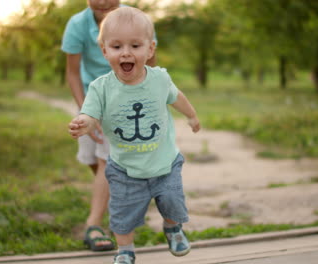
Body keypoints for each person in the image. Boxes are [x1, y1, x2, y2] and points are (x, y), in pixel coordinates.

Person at [68, 6, 200, 264]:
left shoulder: (160, 79)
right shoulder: (100, 88)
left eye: (135, 46)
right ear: (104, 51)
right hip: (125, 168)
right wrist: (84, 123)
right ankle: (125, 250)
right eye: (117, 47)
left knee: (172, 201)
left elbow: (177, 97)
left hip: (163, 163)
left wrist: (192, 115)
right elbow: (91, 113)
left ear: (150, 50)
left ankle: (173, 229)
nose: (126, 52)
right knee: (122, 213)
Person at [61, 0, 156, 251]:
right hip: (92, 97)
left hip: (125, 98)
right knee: (93, 160)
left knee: (107, 162)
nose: (103, 1)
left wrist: (148, 101)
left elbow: (150, 62)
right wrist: (85, 111)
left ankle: (95, 224)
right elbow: (71, 72)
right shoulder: (78, 25)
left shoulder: (136, 19)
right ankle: (127, 202)